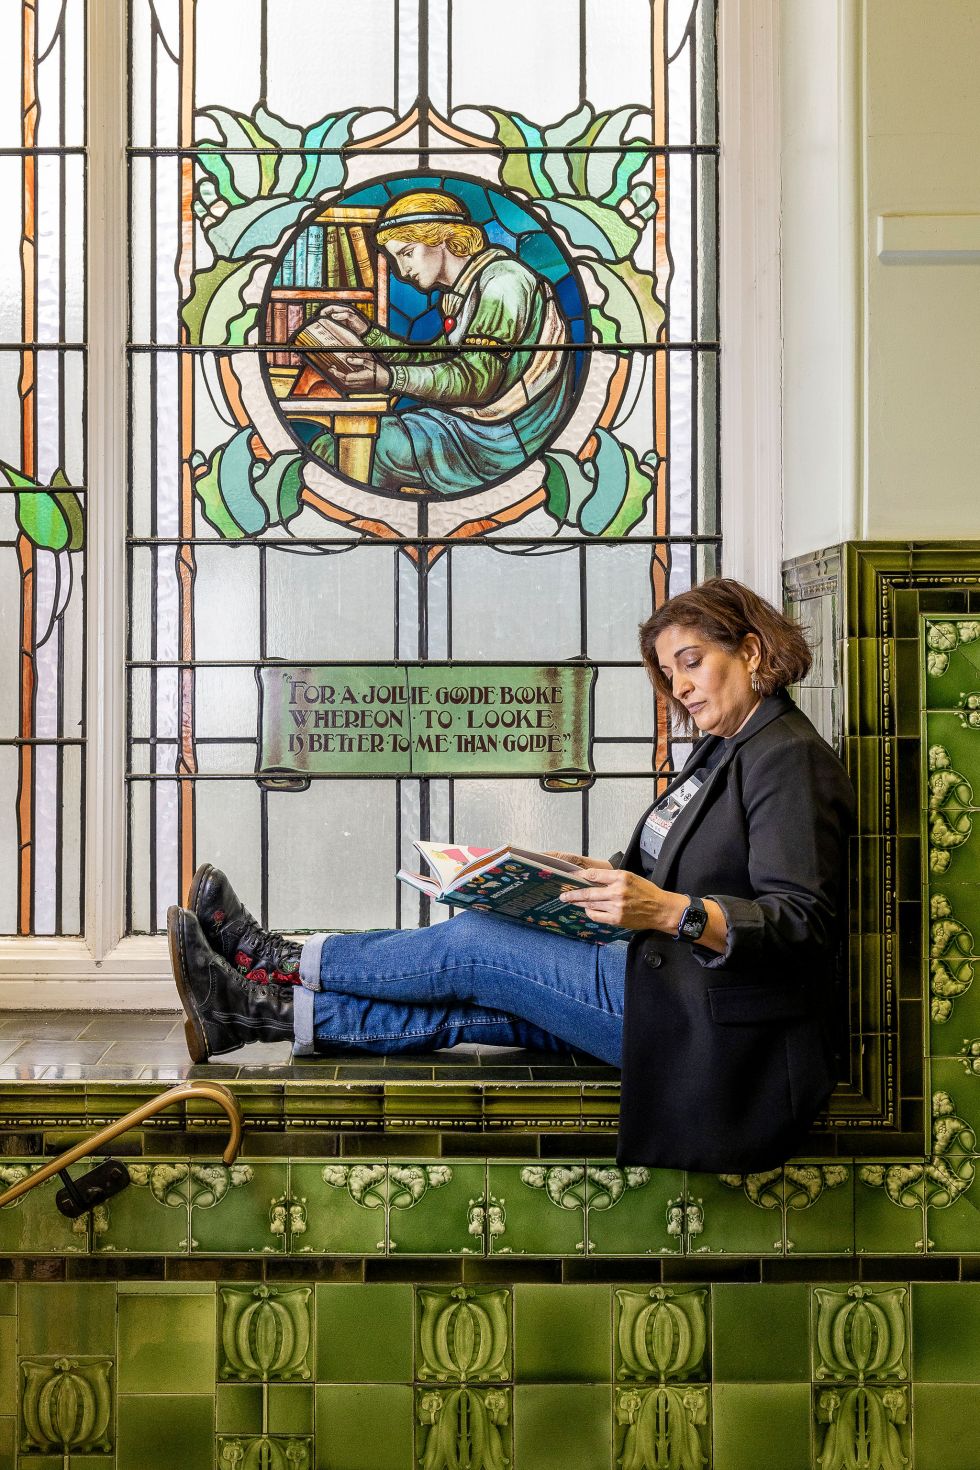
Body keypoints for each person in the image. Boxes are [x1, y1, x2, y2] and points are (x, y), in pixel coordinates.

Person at [168, 578, 855, 1172]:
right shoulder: (726, 746)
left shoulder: (786, 758)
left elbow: (804, 923)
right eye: (667, 672)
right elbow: (680, 862)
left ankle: (273, 958)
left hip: (711, 1027)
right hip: (665, 987)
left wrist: (666, 911)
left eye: (691, 662)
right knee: (485, 1006)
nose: (677, 686)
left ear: (753, 652)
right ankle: (253, 1014)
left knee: (475, 945)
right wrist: (595, 877)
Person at [298, 189, 574, 495]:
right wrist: (367, 333)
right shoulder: (467, 291)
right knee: (334, 443)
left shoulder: (503, 282)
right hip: (472, 426)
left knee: (357, 446)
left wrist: (388, 378)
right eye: (394, 258)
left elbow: (476, 380)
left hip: (503, 439)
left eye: (406, 253)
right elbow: (435, 362)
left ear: (443, 238)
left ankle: (365, 529)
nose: (402, 272)